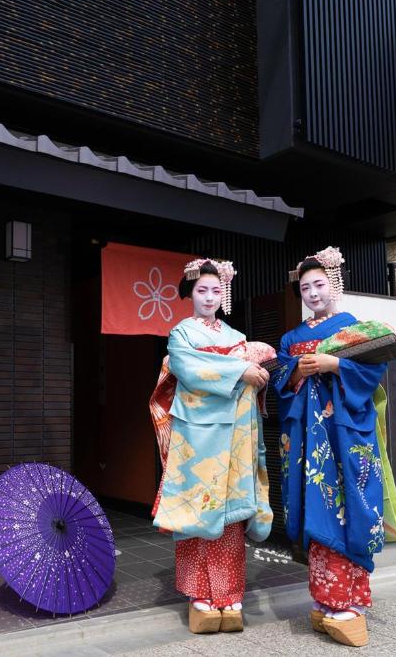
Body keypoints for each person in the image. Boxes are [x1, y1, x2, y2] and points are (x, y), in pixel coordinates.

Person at [151, 258, 273, 635]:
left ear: (225, 294)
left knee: (231, 516)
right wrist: (239, 369)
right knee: (196, 513)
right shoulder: (181, 333)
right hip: (197, 435)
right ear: (190, 293)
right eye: (201, 290)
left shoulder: (235, 335)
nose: (208, 297)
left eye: (216, 290)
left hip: (235, 433)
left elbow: (258, 369)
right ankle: (200, 597)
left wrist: (256, 372)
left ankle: (230, 594)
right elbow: (186, 368)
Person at [272, 246, 386, 648]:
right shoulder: (291, 337)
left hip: (342, 430)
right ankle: (325, 601)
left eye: (319, 284)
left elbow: (374, 369)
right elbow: (279, 381)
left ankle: (349, 604)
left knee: (349, 500)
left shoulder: (353, 326)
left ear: (334, 284)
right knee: (315, 503)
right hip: (307, 434)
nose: (313, 293)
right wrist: (294, 371)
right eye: (305, 287)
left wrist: (335, 365)